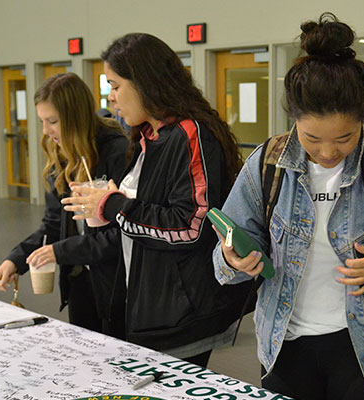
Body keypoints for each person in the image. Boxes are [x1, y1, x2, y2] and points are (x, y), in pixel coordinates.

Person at [211, 13, 364, 400]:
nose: (328, 152)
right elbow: (228, 250)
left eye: (344, 139)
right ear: (293, 119)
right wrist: (234, 259)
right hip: (284, 345)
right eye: (312, 139)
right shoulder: (268, 162)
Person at [62, 33, 250, 368]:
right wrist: (107, 207)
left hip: (180, 314)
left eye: (116, 85)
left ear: (145, 82)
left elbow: (190, 226)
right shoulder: (149, 136)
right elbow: (144, 215)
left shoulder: (190, 134)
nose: (111, 97)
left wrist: (114, 205)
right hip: (149, 304)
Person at [0, 73, 128, 338]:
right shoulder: (61, 155)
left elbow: (123, 234)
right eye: (42, 122)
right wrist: (17, 258)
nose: (46, 131)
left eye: (52, 122)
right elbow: (54, 223)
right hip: (80, 280)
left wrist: (61, 251)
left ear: (75, 117)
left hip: (116, 285)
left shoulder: (117, 151)